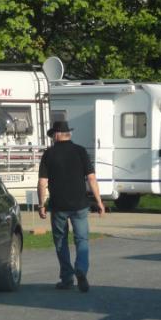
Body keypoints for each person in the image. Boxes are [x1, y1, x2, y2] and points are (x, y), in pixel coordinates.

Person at [37, 120, 105, 292]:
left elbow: (42, 182)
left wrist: (41, 204)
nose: (52, 137)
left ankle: (67, 278)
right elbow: (91, 179)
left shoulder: (49, 154)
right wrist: (99, 201)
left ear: (57, 134)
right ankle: (81, 269)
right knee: (82, 239)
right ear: (68, 134)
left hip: (58, 205)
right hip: (80, 205)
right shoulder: (80, 151)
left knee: (61, 241)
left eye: (53, 134)